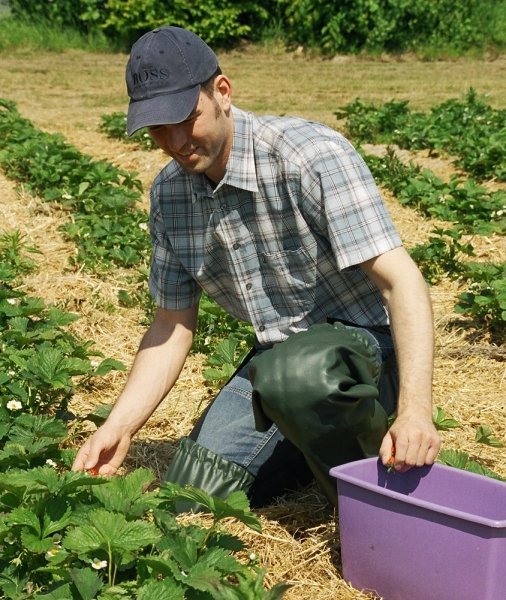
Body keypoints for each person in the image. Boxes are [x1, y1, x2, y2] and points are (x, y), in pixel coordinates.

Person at [72, 26, 441, 508]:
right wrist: (117, 426)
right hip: (280, 365)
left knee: (301, 375)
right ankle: (310, 441)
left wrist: (417, 409)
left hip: (370, 351)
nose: (178, 140)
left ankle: (378, 497)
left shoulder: (308, 155)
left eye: (187, 117)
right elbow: (171, 325)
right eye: (159, 128)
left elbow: (401, 283)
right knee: (192, 498)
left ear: (222, 92)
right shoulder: (170, 195)